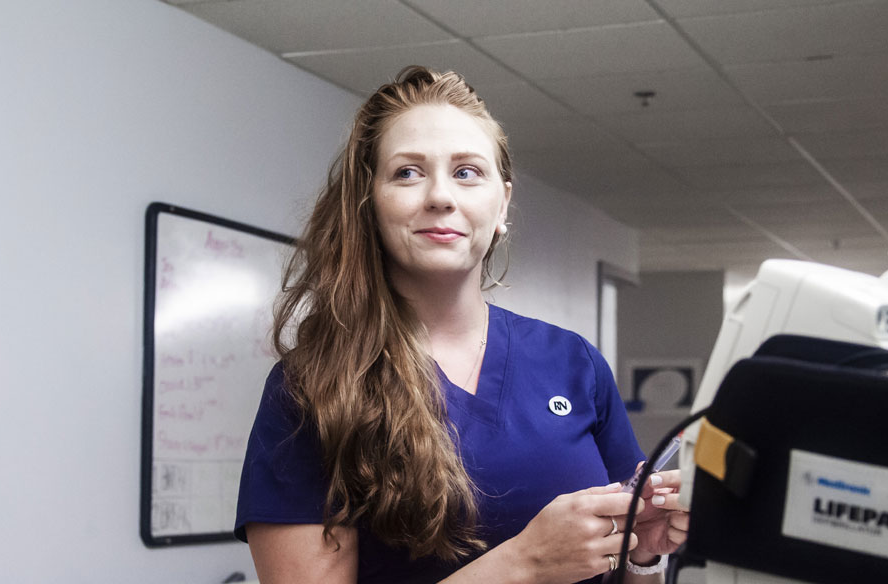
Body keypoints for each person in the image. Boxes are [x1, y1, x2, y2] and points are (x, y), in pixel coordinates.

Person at [234, 66, 689, 584]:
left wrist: (642, 554)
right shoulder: (313, 388)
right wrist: (524, 564)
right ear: (369, 205)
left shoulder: (572, 362)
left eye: (467, 172)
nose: (440, 196)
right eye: (407, 172)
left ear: (502, 205)